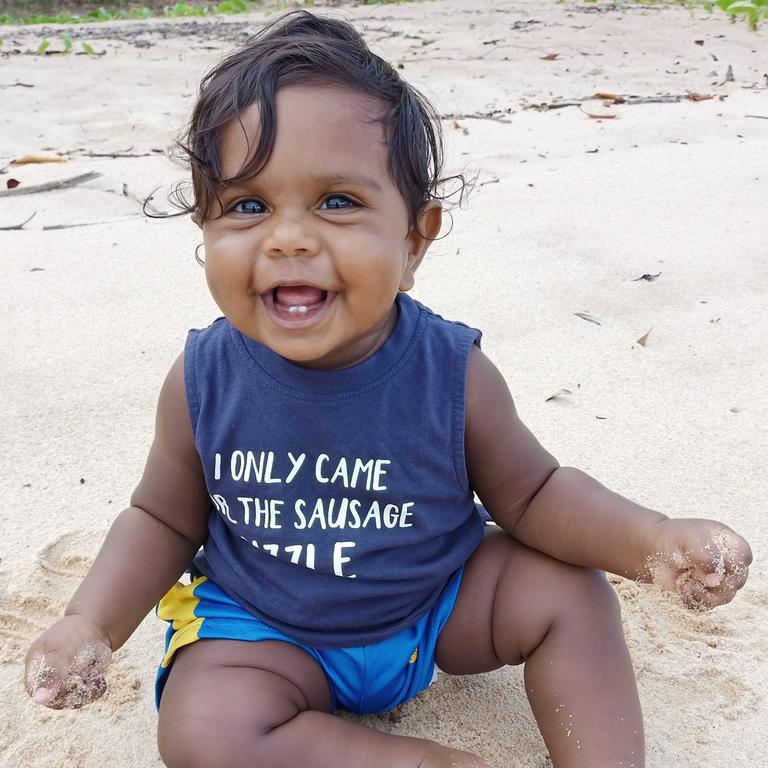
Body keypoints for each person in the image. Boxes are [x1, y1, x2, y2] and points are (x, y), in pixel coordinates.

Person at [24, 10, 752, 768]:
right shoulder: (202, 380)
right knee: (200, 727)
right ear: (205, 231)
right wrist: (91, 622)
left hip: (434, 611)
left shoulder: (451, 371)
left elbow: (535, 497)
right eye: (248, 205)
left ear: (414, 241)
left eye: (337, 201)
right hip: (268, 631)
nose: (289, 237)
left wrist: (651, 541)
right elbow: (160, 520)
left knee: (572, 595)